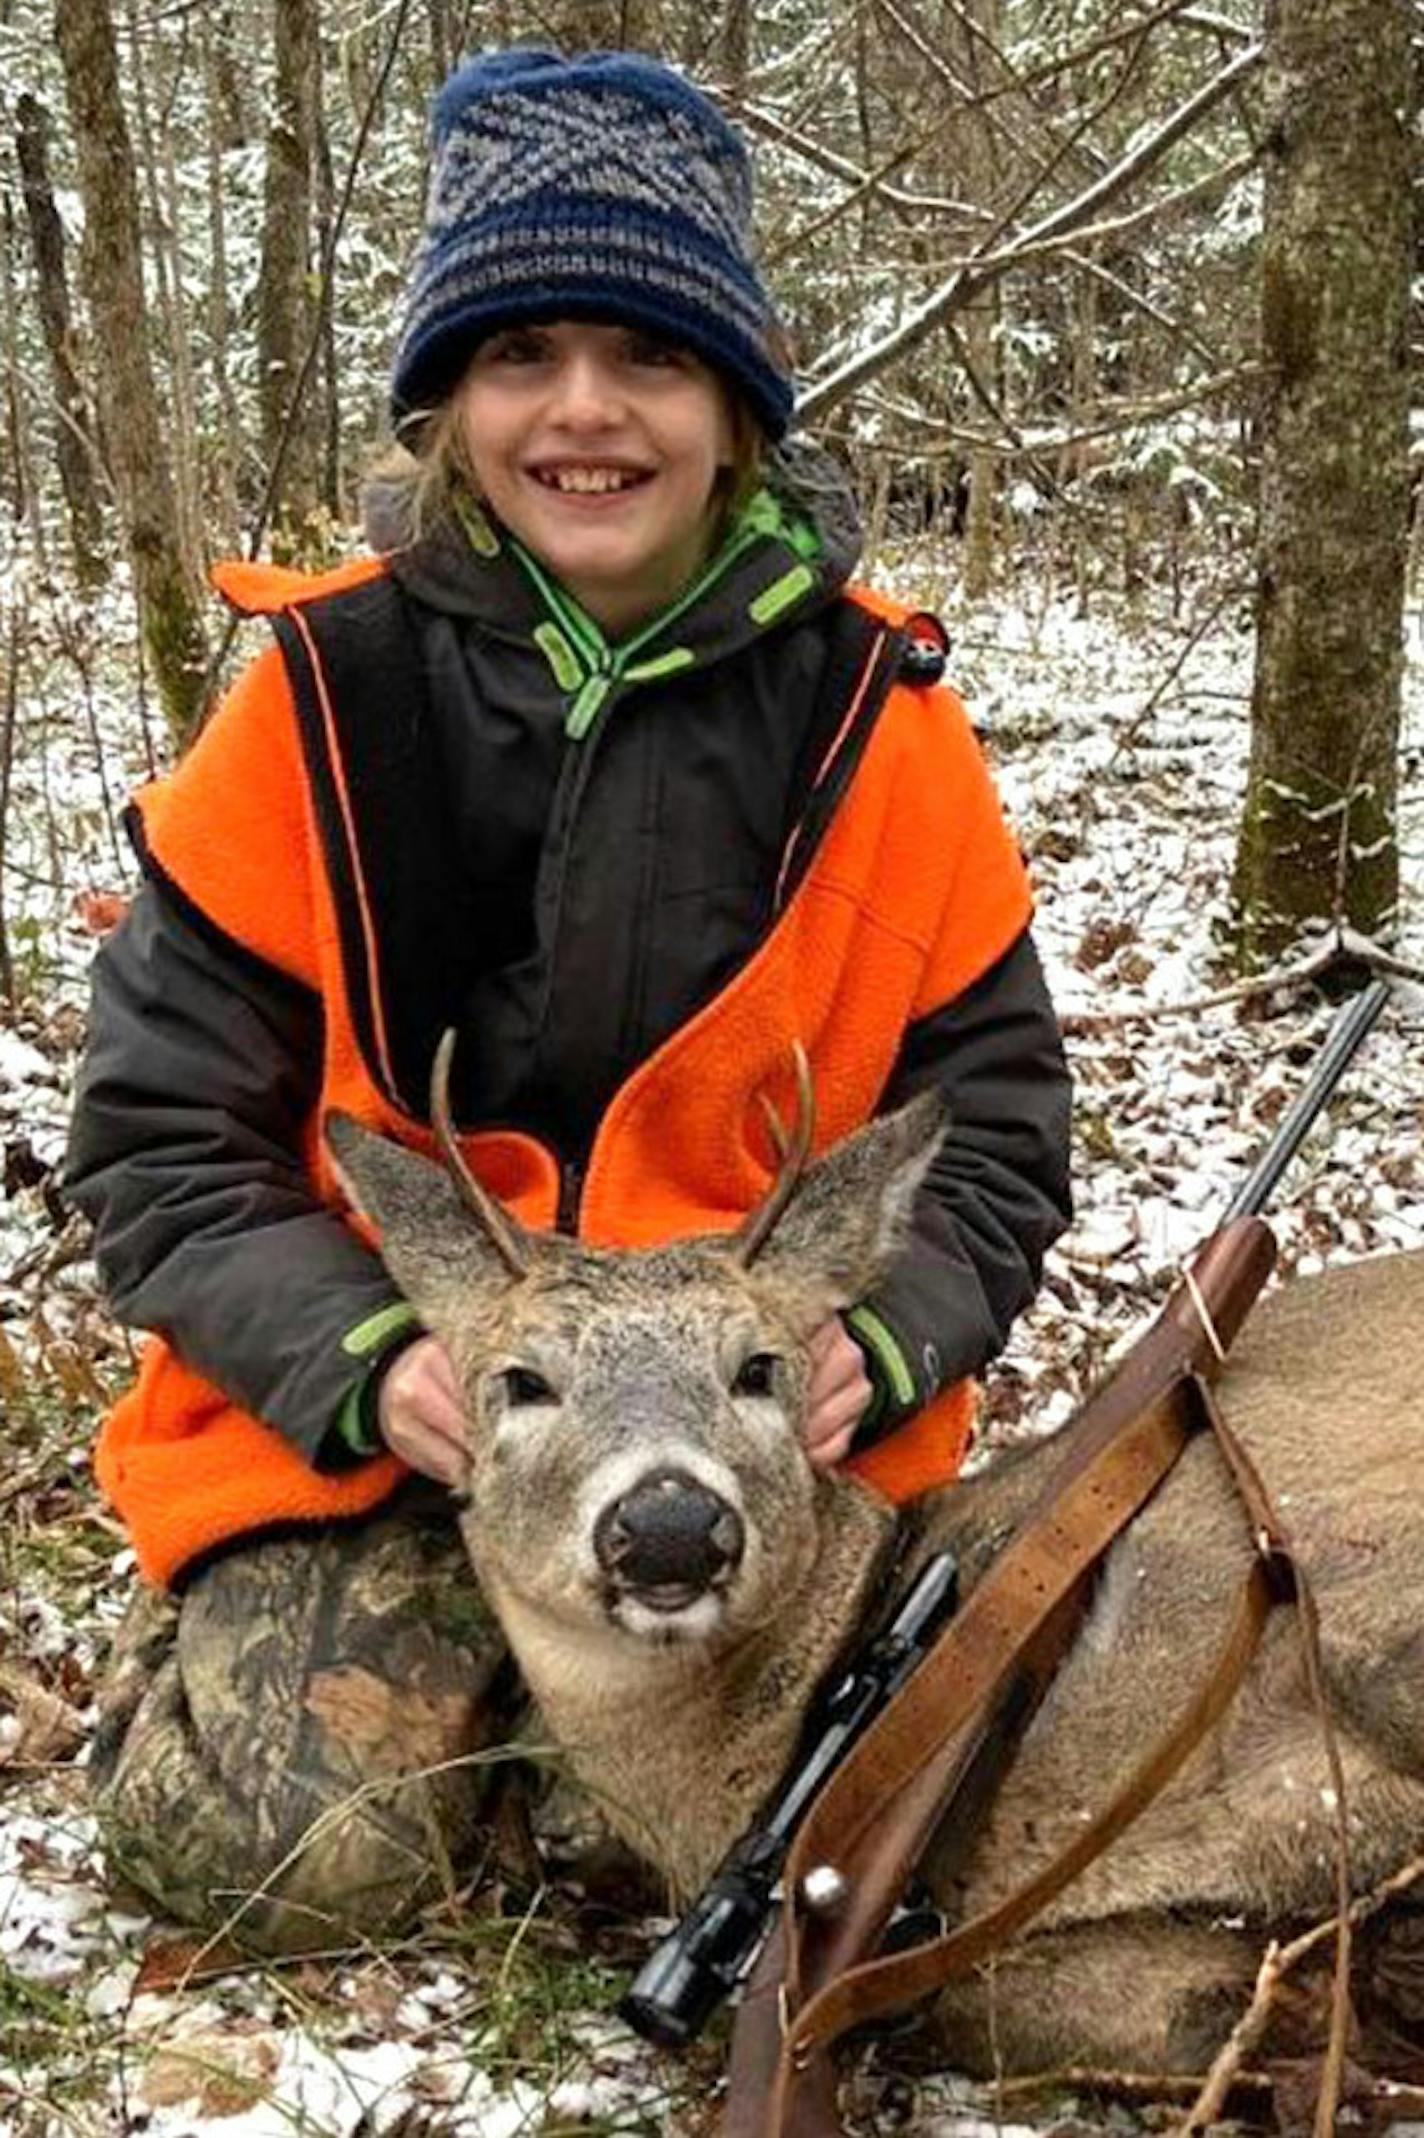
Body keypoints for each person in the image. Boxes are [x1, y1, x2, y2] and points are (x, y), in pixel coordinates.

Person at [65, 47, 1071, 1951]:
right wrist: (372, 1362)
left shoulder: (885, 730)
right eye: (524, 354)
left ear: (735, 411)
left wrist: (906, 1333)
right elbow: (159, 1140)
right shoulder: (312, 708)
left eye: (653, 358)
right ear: (452, 405)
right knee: (291, 1863)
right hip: (430, 1403)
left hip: (764, 1423)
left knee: (925, 1838)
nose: (587, 414)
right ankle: (262, 1653)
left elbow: (998, 1121)